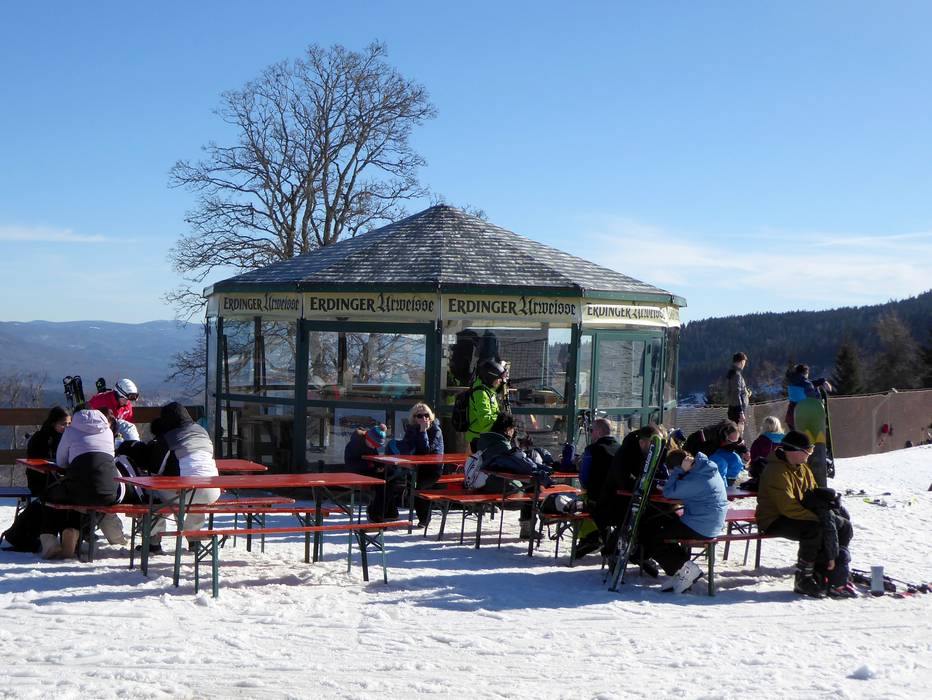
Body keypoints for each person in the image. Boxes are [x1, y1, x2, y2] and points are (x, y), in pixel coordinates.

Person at [756, 430, 854, 598]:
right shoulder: (776, 472)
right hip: (774, 518)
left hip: (798, 514)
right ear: (794, 451)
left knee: (844, 525)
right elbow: (787, 507)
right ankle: (803, 579)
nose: (809, 455)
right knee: (814, 529)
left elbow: (812, 494)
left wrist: (828, 505)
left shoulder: (802, 468)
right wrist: (819, 518)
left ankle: (832, 571)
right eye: (807, 451)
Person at [643, 449, 728, 593]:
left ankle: (685, 569)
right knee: (665, 526)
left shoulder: (695, 479)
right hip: (711, 522)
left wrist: (679, 472)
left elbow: (668, 492)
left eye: (672, 471)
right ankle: (680, 572)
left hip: (700, 525)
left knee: (652, 536)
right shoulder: (706, 468)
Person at [39, 408, 118, 559]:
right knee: (81, 497)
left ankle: (50, 540)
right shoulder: (108, 432)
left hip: (78, 491)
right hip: (108, 493)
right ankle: (73, 532)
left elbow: (61, 462)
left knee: (49, 495)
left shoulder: (70, 432)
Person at [147, 402, 220, 553]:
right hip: (213, 490)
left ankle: (153, 541)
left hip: (187, 492)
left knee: (156, 496)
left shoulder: (168, 437)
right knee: (195, 497)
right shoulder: (202, 431)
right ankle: (194, 539)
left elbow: (156, 469)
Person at [473, 412, 553, 539]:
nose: (514, 432)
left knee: (531, 485)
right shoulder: (502, 445)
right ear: (507, 429)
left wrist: (519, 448)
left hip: (483, 485)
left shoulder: (485, 441)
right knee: (533, 487)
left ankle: (537, 519)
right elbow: (518, 466)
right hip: (500, 488)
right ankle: (530, 526)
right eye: (513, 429)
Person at [575, 418, 621, 558]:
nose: (591, 433)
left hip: (597, 502)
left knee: (576, 502)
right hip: (620, 503)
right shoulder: (621, 449)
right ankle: (595, 538)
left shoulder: (592, 450)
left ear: (599, 432)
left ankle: (591, 537)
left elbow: (584, 480)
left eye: (592, 430)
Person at [395, 403, 444, 527]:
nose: (423, 418)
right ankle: (388, 513)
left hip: (433, 469)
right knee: (394, 480)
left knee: (418, 488)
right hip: (416, 468)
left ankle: (424, 519)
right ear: (414, 418)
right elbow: (405, 446)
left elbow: (425, 451)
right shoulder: (411, 429)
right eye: (419, 416)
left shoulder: (435, 430)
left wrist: (423, 431)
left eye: (426, 415)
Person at [25, 406, 70, 497]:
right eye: (64, 424)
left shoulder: (67, 437)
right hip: (42, 481)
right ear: (53, 423)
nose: (67, 427)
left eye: (69, 423)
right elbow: (36, 463)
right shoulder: (40, 438)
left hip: (59, 480)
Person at [464, 358, 507, 450]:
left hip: (486, 436)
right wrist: (502, 420)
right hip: (479, 438)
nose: (500, 381)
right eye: (498, 379)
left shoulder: (488, 390)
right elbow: (485, 419)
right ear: (490, 378)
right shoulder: (481, 393)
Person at [785, 364, 831, 430]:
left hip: (791, 417)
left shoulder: (791, 381)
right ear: (806, 373)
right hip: (804, 417)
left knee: (795, 436)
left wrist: (821, 381)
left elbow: (805, 383)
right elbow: (815, 400)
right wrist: (819, 394)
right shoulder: (806, 384)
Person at [726, 352, 750, 428]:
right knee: (738, 432)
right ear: (741, 361)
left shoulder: (731, 374)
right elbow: (736, 393)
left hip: (732, 408)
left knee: (733, 431)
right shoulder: (737, 375)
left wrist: (745, 393)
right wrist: (741, 412)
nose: (744, 364)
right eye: (744, 362)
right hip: (738, 410)